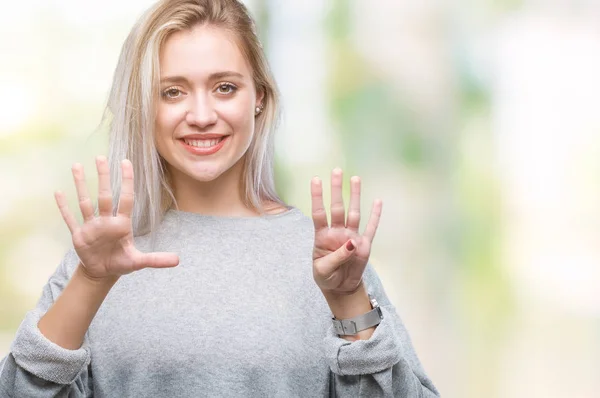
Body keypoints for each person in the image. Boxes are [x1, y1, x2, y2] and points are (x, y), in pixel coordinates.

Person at [0, 0, 440, 396]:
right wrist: (91, 283)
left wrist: (347, 303)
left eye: (225, 87)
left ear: (259, 99)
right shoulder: (100, 260)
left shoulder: (329, 259)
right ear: (144, 106)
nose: (202, 115)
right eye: (172, 91)